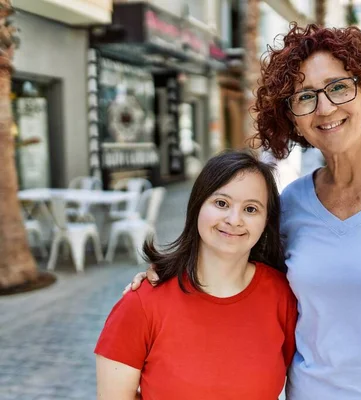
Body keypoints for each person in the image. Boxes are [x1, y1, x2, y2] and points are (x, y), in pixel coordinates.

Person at [128, 24, 361, 400]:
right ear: (295, 121)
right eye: (305, 97)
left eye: (338, 87)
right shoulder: (291, 204)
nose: (325, 107)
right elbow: (234, 276)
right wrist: (164, 277)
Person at [96, 150, 297, 400]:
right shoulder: (142, 303)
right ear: (197, 206)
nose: (234, 220)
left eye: (251, 209)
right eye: (221, 203)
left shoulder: (282, 297)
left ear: (266, 220)